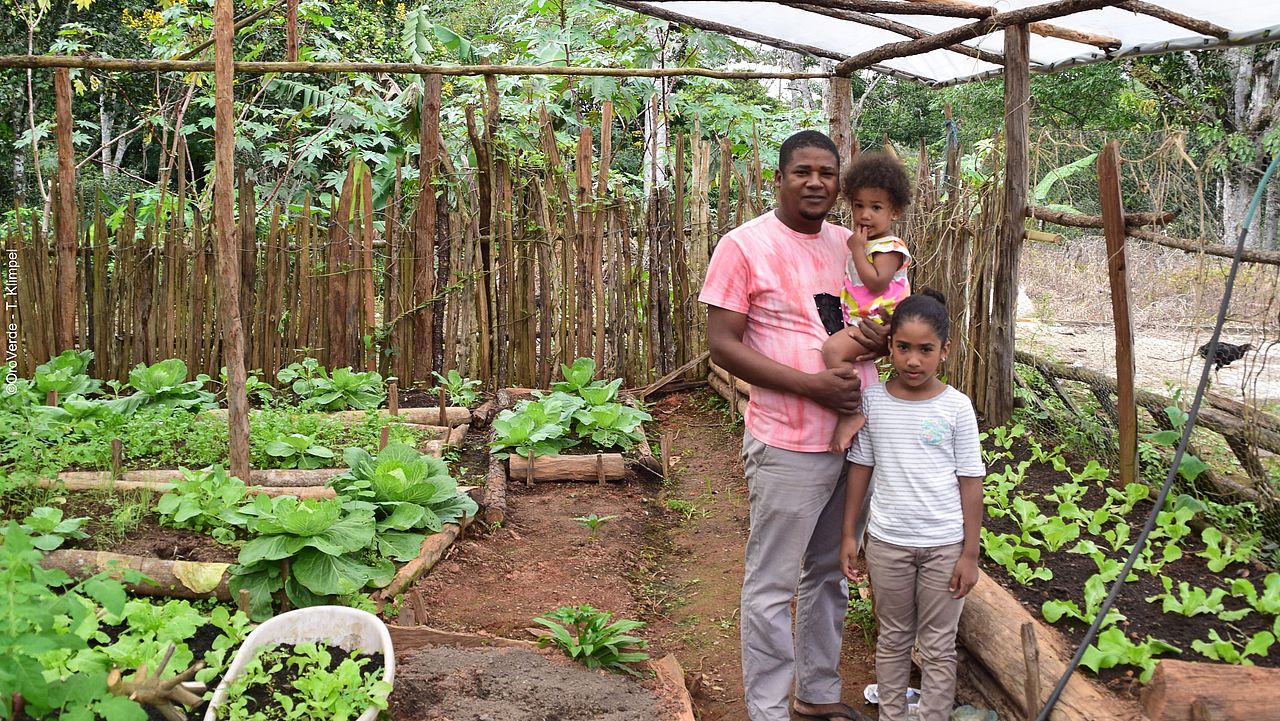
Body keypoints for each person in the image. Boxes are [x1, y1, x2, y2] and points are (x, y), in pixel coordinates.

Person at [701, 129, 886, 721]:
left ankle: (816, 696)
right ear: (777, 179)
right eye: (802, 171)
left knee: (831, 572)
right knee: (773, 583)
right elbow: (722, 346)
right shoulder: (744, 245)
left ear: (840, 183)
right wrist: (811, 384)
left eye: (827, 173)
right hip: (787, 442)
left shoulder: (851, 244)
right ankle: (767, 711)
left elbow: (876, 315)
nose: (815, 182)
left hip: (853, 442)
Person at [839, 289, 985, 721]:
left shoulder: (957, 408)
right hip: (887, 545)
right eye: (903, 347)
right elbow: (860, 470)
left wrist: (970, 553)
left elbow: (971, 482)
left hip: (944, 546)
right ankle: (891, 715)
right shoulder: (874, 402)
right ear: (889, 346)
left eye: (926, 350)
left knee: (938, 645)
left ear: (945, 350)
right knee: (894, 638)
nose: (913, 361)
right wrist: (851, 533)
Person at [822, 151, 913, 455]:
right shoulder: (869, 244)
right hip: (866, 322)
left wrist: (858, 249)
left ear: (895, 211)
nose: (865, 215)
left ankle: (850, 414)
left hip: (878, 323)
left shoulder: (889, 247)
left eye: (876, 207)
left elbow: (876, 281)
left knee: (834, 350)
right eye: (858, 206)